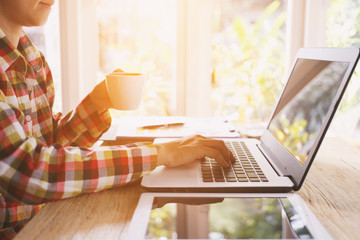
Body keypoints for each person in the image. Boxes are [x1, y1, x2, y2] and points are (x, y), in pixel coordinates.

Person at [0, 0, 235, 238]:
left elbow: (48, 147)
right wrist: (162, 153)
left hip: (45, 224)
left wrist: (96, 104)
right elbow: (27, 171)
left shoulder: (33, 61)